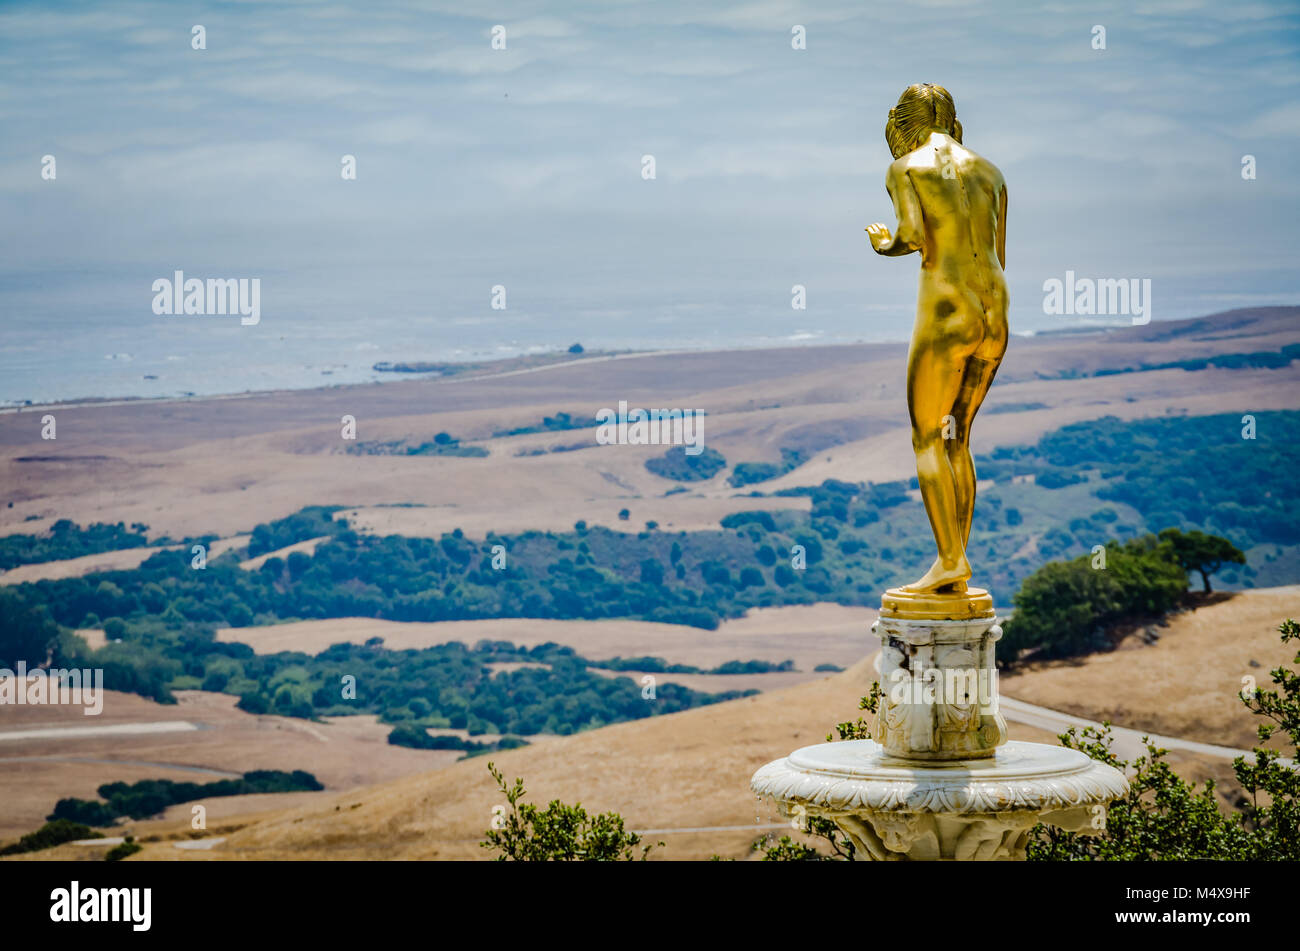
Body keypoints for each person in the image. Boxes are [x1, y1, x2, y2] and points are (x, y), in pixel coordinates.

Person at [865, 84, 1008, 595]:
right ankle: (955, 561)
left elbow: (911, 236)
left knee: (927, 437)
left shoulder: (905, 169)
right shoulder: (990, 171)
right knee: (958, 438)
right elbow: (999, 251)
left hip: (947, 315)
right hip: (995, 312)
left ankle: (950, 560)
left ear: (904, 122)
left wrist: (883, 244)